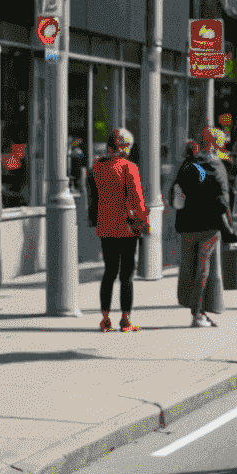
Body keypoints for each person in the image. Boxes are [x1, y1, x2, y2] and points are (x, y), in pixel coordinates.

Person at [87, 127, 149, 332]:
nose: (130, 149)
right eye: (128, 145)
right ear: (122, 145)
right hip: (126, 228)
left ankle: (105, 319)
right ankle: (126, 319)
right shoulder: (128, 167)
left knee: (109, 272)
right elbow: (137, 200)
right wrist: (144, 222)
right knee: (127, 275)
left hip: (105, 227)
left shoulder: (98, 166)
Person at [175, 129, 235, 328]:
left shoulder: (188, 162)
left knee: (189, 268)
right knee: (204, 269)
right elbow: (222, 198)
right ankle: (198, 314)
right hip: (208, 226)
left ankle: (195, 309)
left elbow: (176, 191)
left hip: (187, 224)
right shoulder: (215, 163)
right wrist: (227, 223)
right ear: (214, 143)